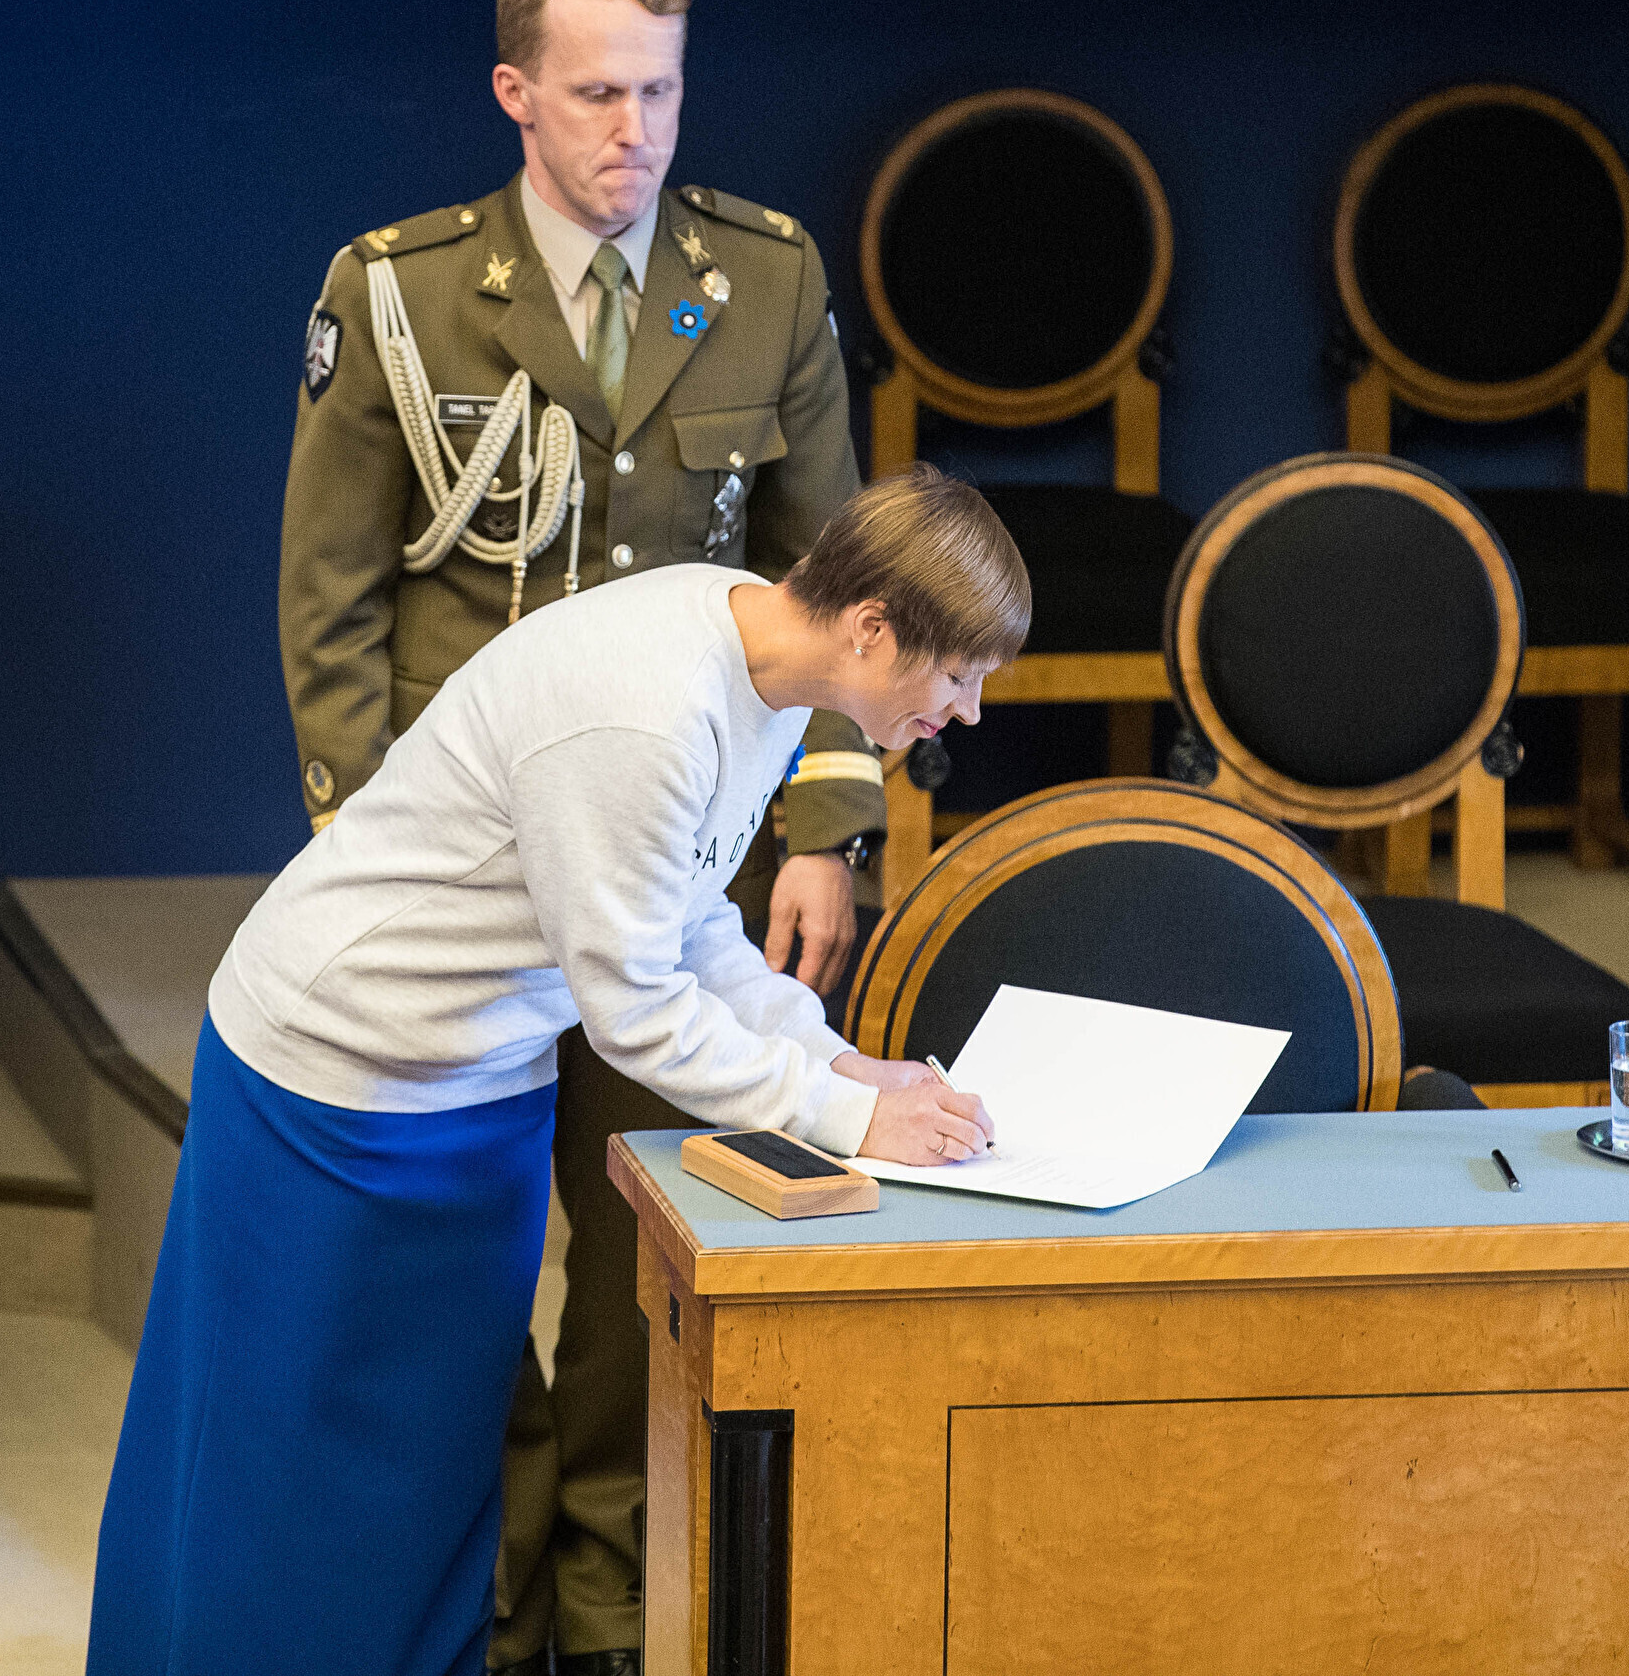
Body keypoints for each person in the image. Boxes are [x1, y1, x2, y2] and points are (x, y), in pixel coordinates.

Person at [90, 466, 1024, 1676]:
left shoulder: (768, 671)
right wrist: (843, 1115)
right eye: (958, 676)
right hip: (332, 1079)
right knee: (278, 1474)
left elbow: (689, 924)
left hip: (479, 1084)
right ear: (871, 629)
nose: (968, 711)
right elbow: (634, 1011)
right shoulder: (646, 709)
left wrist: (842, 1060)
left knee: (428, 1471)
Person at [277, 0, 885, 1676]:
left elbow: (830, 572)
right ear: (516, 91)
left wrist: (825, 828)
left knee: (640, 1241)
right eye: (601, 92)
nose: (637, 129)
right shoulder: (398, 290)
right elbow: (333, 603)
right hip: (468, 880)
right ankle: (501, 1588)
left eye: (663, 92)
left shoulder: (762, 275)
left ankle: (613, 1603)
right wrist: (367, 854)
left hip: (668, 858)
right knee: (461, 1255)